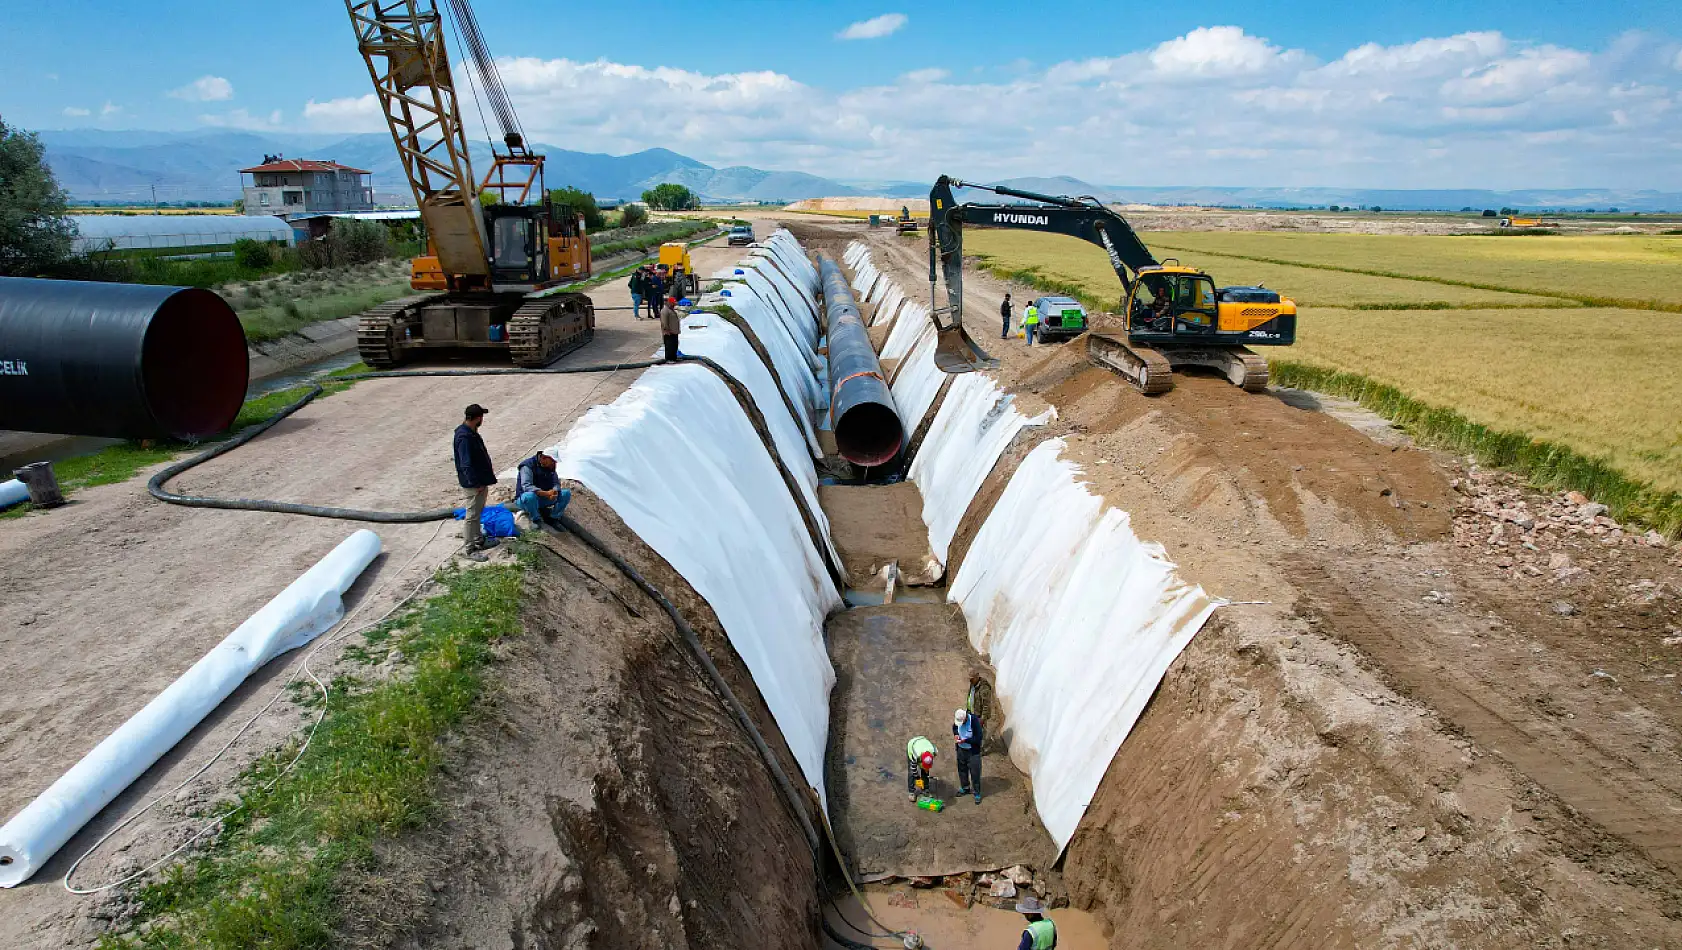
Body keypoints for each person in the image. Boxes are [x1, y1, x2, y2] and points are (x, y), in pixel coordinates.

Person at [452, 403, 498, 561]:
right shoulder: (464, 437)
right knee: (471, 515)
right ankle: (470, 549)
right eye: (481, 417)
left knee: (477, 512)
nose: (482, 420)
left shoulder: (470, 432)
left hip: (479, 481)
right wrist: (475, 483)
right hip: (474, 484)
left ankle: (479, 540)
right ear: (477, 418)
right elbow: (466, 464)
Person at [513, 449, 571, 531]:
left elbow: (556, 483)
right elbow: (527, 486)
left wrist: (554, 492)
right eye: (553, 461)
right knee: (529, 496)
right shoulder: (527, 466)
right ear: (544, 458)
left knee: (566, 494)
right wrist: (546, 494)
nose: (554, 464)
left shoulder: (550, 467)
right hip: (525, 500)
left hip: (541, 499)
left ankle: (553, 518)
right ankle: (535, 519)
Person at [952, 708, 983, 803]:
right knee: (962, 769)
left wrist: (965, 740)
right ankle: (965, 787)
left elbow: (978, 738)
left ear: (965, 718)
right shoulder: (958, 721)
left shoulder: (973, 721)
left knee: (975, 772)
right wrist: (956, 735)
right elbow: (954, 727)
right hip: (961, 750)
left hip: (972, 752)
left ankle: (977, 792)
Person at [906, 735, 937, 804]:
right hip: (912, 745)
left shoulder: (934, 751)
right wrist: (917, 778)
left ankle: (925, 789)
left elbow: (927, 765)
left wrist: (926, 768)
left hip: (922, 740)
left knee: (925, 771)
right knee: (911, 773)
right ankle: (911, 792)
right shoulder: (916, 755)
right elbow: (913, 768)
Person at [659, 296, 681, 362]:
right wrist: (667, 330)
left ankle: (673, 358)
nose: (674, 305)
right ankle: (669, 359)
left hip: (674, 332)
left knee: (674, 346)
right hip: (669, 333)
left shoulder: (671, 310)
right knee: (669, 346)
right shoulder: (665, 311)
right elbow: (664, 322)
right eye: (673, 303)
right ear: (669, 303)